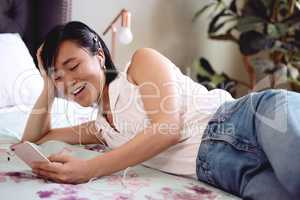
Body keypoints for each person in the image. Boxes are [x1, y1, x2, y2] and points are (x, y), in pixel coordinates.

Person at [21, 21, 300, 200]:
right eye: (59, 78)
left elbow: (167, 129)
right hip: (227, 173)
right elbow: (36, 137)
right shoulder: (101, 129)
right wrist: (47, 85)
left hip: (251, 121)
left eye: (73, 66)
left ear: (99, 56)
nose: (69, 82)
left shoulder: (141, 64)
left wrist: (88, 169)